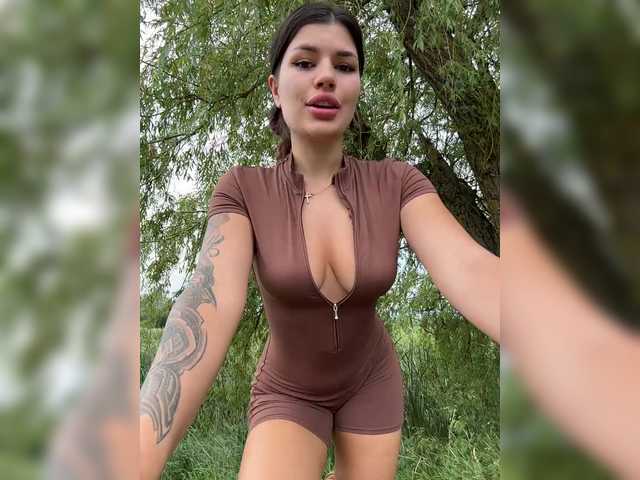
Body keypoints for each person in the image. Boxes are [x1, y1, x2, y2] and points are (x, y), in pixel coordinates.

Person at [139, 3, 499, 479]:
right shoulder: (243, 190)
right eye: (305, 62)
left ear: (358, 87)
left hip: (371, 380)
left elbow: (471, 270)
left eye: (344, 66)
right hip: (290, 390)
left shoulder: (397, 183)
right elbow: (206, 306)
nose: (326, 76)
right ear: (275, 86)